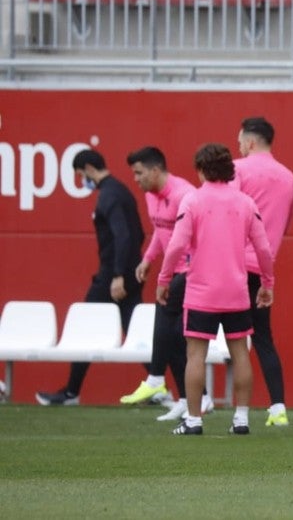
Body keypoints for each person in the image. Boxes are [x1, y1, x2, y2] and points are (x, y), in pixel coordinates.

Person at [160, 143, 275, 435]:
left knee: (195, 355)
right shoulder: (246, 203)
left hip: (201, 292)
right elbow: (263, 248)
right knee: (240, 354)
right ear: (229, 169)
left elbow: (176, 246)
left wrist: (163, 280)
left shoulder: (193, 201)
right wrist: (267, 283)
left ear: (200, 170)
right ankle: (241, 419)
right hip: (236, 292)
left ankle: (194, 420)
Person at [37, 150, 145, 406]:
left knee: (84, 327)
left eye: (79, 174)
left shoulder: (110, 195)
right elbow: (138, 234)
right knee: (135, 331)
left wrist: (118, 274)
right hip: (123, 273)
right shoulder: (119, 192)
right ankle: (159, 385)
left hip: (112, 276)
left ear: (87, 168)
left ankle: (71, 393)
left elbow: (124, 236)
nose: (81, 179)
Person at [118, 146, 213, 422]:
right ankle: (190, 397)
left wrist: (181, 269)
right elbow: (162, 233)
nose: (136, 179)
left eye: (139, 173)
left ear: (156, 170)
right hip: (172, 271)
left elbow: (192, 236)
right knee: (174, 337)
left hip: (190, 270)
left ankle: (156, 376)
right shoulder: (151, 196)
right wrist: (148, 259)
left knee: (166, 318)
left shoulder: (185, 195)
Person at [234, 117, 293, 427]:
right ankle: (278, 407)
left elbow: (227, 213)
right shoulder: (289, 178)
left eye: (239, 142)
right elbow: (284, 225)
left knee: (203, 336)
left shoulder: (238, 170)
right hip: (262, 267)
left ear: (249, 142)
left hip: (231, 266)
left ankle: (197, 400)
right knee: (262, 338)